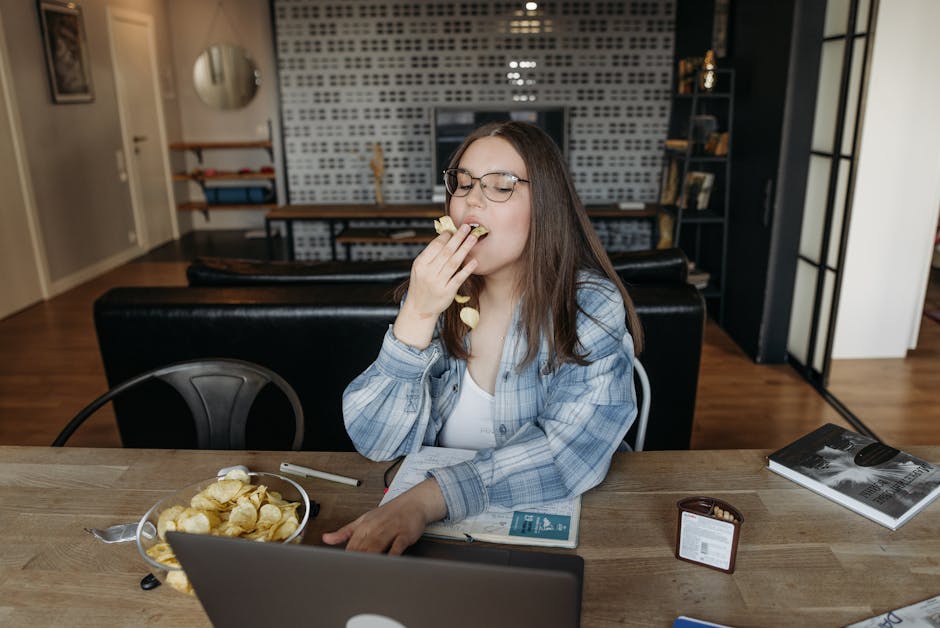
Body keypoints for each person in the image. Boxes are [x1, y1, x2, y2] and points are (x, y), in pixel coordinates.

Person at [322, 120, 644, 554]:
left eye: (501, 185)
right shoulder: (435, 296)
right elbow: (376, 443)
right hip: (435, 538)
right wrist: (416, 314)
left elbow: (569, 451)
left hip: (553, 532)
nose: (472, 198)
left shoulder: (589, 306)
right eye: (463, 182)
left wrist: (426, 500)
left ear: (546, 205)